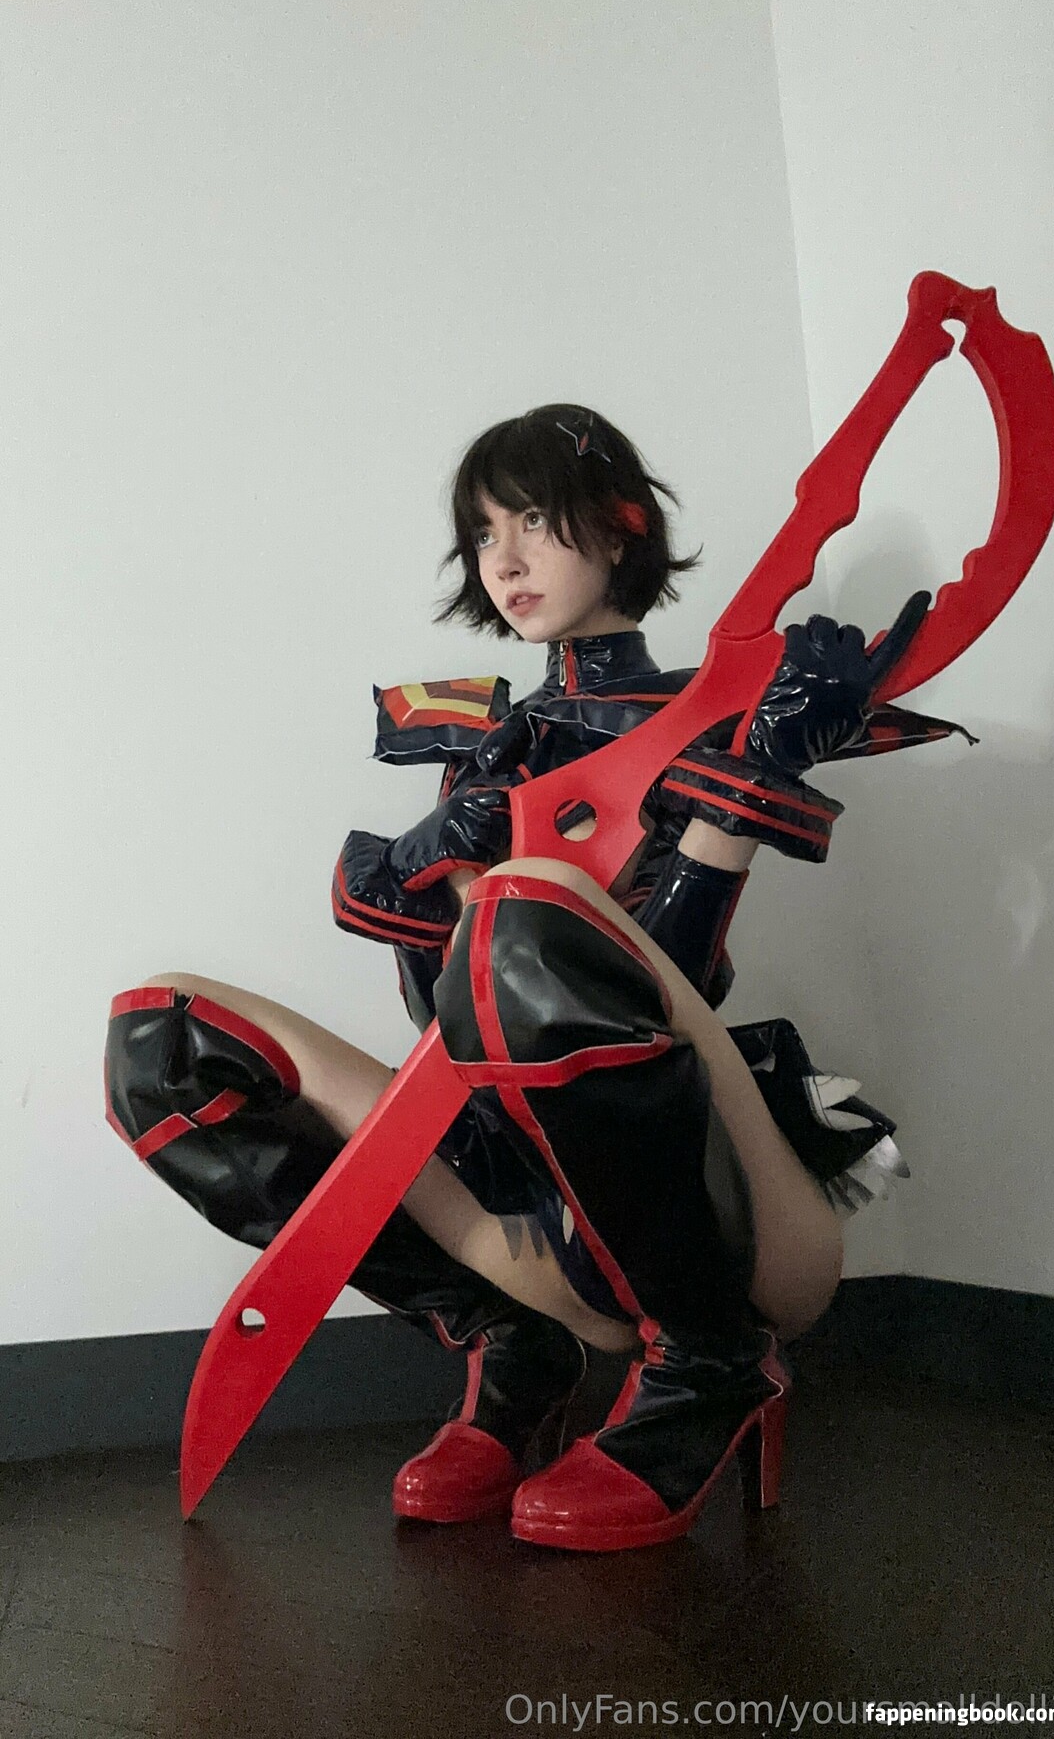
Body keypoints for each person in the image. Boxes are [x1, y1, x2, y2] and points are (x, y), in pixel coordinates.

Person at [105, 405, 973, 1552]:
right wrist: (436, 861)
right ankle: (512, 1348)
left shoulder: (706, 720)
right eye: (483, 533)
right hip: (516, 1206)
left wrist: (753, 774)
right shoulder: (477, 735)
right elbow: (446, 1008)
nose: (504, 560)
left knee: (530, 916)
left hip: (722, 1219)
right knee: (162, 1041)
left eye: (531, 519)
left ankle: (710, 1366)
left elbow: (662, 981)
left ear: (619, 527)